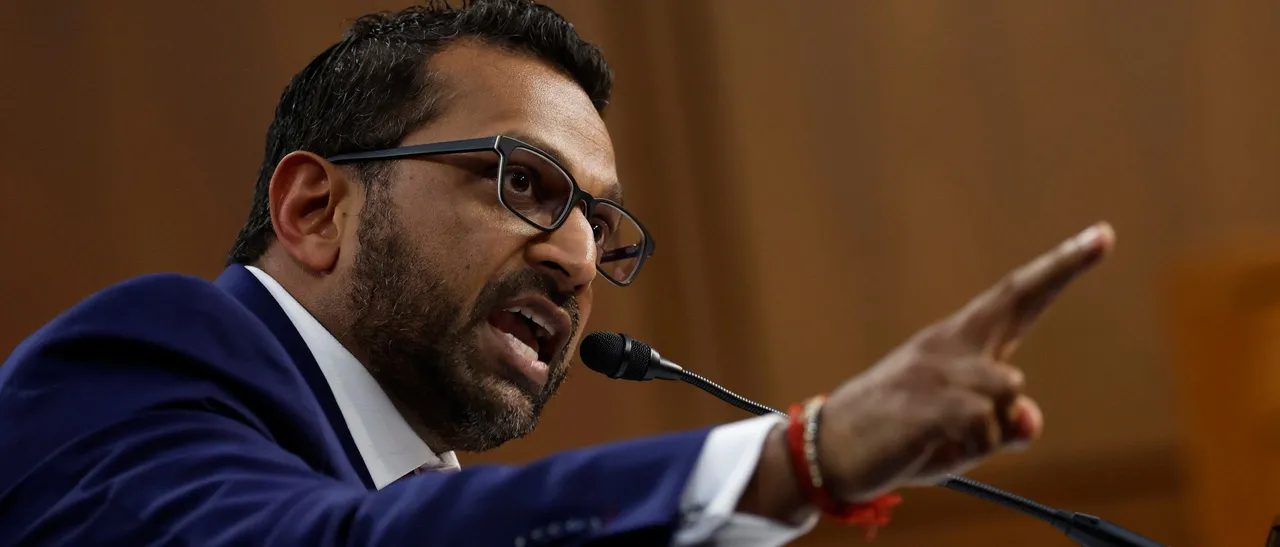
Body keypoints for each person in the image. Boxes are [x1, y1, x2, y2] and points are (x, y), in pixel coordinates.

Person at [0, 1, 1116, 545]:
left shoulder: (414, 485)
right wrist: (799, 456)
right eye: (525, 184)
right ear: (314, 207)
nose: (581, 255)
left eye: (601, 224)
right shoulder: (144, 364)